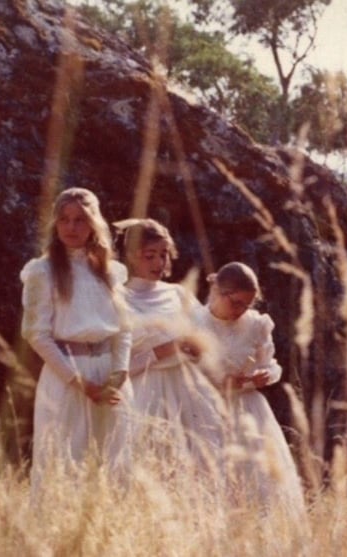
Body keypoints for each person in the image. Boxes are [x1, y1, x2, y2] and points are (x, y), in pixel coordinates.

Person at [20, 187, 133, 493]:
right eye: (64, 220)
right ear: (55, 224)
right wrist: (79, 381)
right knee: (66, 462)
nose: (71, 227)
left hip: (110, 377)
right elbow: (36, 334)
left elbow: (124, 329)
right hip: (67, 377)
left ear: (94, 224)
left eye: (80, 220)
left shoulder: (109, 271)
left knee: (112, 464)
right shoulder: (42, 272)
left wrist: (119, 373)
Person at [113, 218, 224, 474]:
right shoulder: (119, 297)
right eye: (149, 255)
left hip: (187, 390)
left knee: (197, 462)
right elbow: (118, 365)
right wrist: (163, 350)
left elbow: (206, 337)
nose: (158, 263)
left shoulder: (178, 293)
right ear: (131, 256)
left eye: (163, 254)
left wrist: (195, 347)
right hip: (144, 393)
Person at [199, 262, 305, 516]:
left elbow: (272, 365)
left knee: (258, 483)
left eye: (247, 305)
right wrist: (218, 381)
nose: (240, 311)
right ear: (218, 292)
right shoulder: (195, 320)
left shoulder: (256, 325)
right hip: (206, 408)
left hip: (249, 411)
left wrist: (265, 376)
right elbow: (185, 372)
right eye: (235, 303)